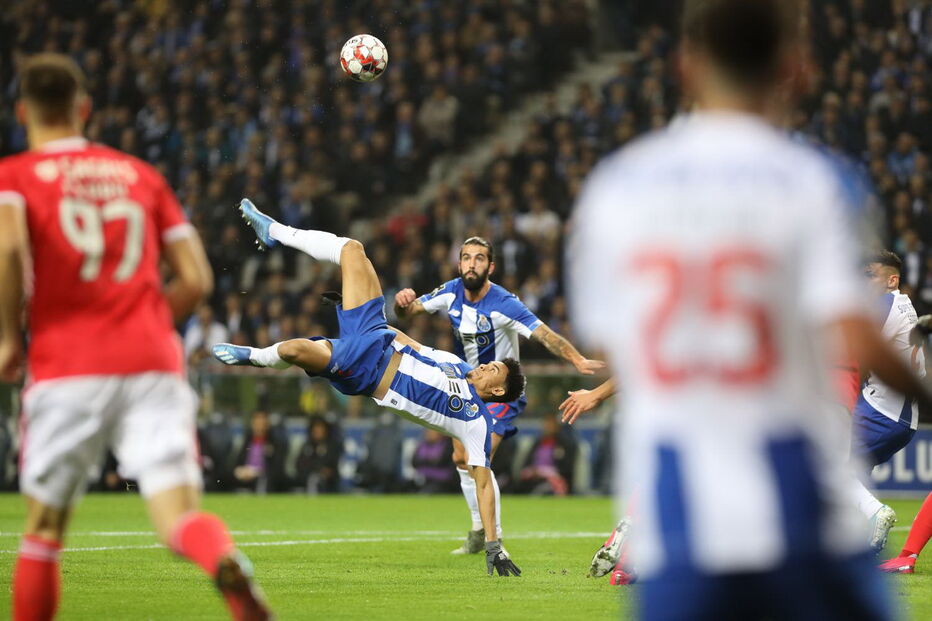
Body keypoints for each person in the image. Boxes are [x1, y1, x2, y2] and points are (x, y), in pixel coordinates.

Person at [568, 2, 932, 619]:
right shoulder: (815, 182)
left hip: (680, 483)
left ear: (685, 68)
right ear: (795, 69)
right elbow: (853, 332)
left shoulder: (615, 189)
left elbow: (619, 339)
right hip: (787, 474)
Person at [0, 54, 270, 620]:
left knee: (44, 531)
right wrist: (137, 323)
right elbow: (196, 279)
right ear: (84, 108)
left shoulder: (15, 178)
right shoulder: (140, 175)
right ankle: (221, 558)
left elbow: (8, 250)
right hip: (151, 362)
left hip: (67, 363)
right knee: (179, 517)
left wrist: (7, 338)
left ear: (22, 112)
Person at [213, 198, 523, 576]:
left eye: (494, 370)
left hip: (368, 372)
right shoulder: (458, 364)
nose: (487, 365)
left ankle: (254, 357)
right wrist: (357, 310)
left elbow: (484, 483)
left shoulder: (475, 421)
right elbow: (412, 344)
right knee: (352, 250)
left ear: (496, 392)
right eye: (491, 363)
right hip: (376, 335)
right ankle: (274, 231)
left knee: (295, 350)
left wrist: (494, 544)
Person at [394, 237, 603, 554]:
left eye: (479, 258)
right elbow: (407, 313)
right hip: (468, 388)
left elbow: (544, 334)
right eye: (466, 258)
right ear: (459, 264)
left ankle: (495, 538)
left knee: (479, 456)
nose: (472, 264)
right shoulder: (450, 291)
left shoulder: (504, 303)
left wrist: (577, 359)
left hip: (500, 394)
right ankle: (478, 530)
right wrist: (402, 302)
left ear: (490, 267)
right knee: (460, 458)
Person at [850, 251, 926, 552]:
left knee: (825, 462)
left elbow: (855, 357)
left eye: (872, 275)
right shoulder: (905, 305)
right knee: (851, 473)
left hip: (881, 410)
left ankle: (876, 514)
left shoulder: (883, 305)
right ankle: (858, 540)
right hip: (900, 416)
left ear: (892, 279)